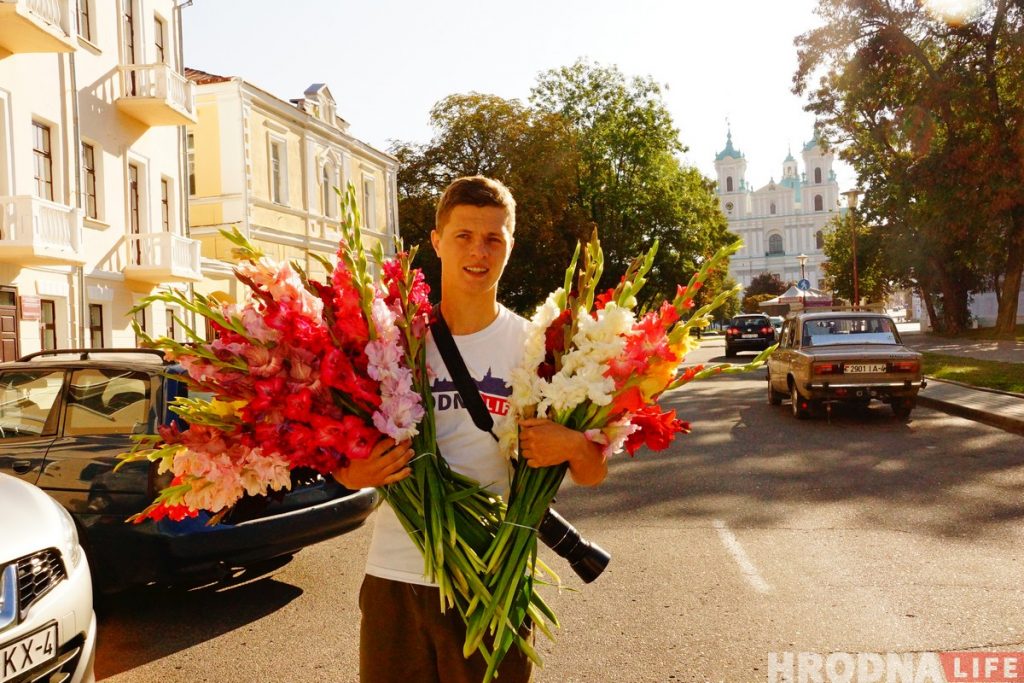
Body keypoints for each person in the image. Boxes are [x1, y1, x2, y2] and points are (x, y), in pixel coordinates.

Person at [333, 176, 607, 683]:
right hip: (396, 578)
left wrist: (570, 443)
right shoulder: (389, 342)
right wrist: (353, 474)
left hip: (495, 578)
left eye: (493, 238)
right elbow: (340, 455)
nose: (478, 252)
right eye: (464, 236)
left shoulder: (538, 347)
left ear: (510, 246)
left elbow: (591, 472)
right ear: (437, 242)